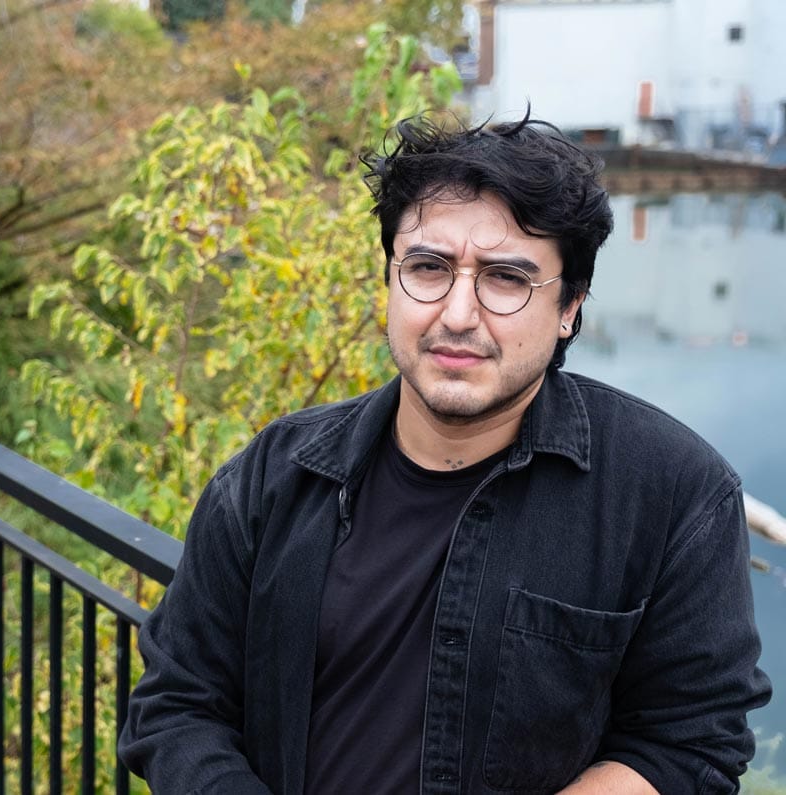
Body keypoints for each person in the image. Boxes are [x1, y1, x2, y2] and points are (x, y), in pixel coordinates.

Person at [117, 112, 772, 794]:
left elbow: (689, 740)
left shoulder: (672, 492)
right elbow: (179, 702)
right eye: (428, 268)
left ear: (571, 305)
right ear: (390, 279)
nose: (458, 313)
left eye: (506, 279)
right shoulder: (273, 475)